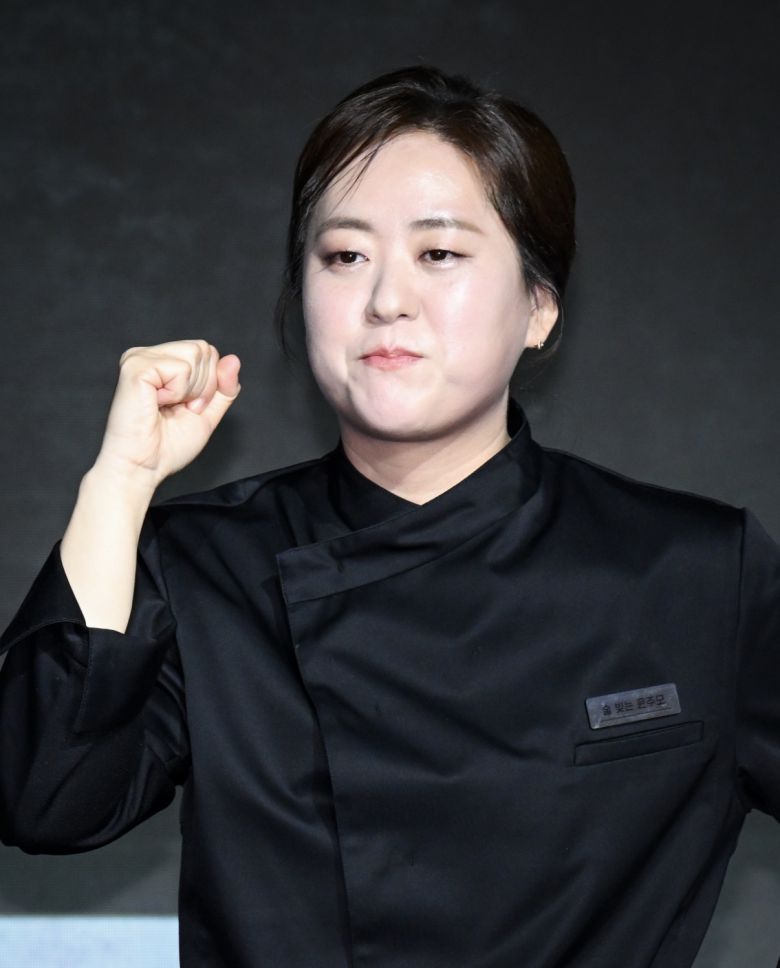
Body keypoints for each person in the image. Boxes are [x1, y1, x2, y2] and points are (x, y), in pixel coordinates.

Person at [1, 63, 778, 968]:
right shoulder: (206, 563)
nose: (386, 299)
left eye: (438, 254)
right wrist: (120, 480)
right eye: (344, 256)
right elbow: (46, 798)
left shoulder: (695, 570)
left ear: (538, 307)